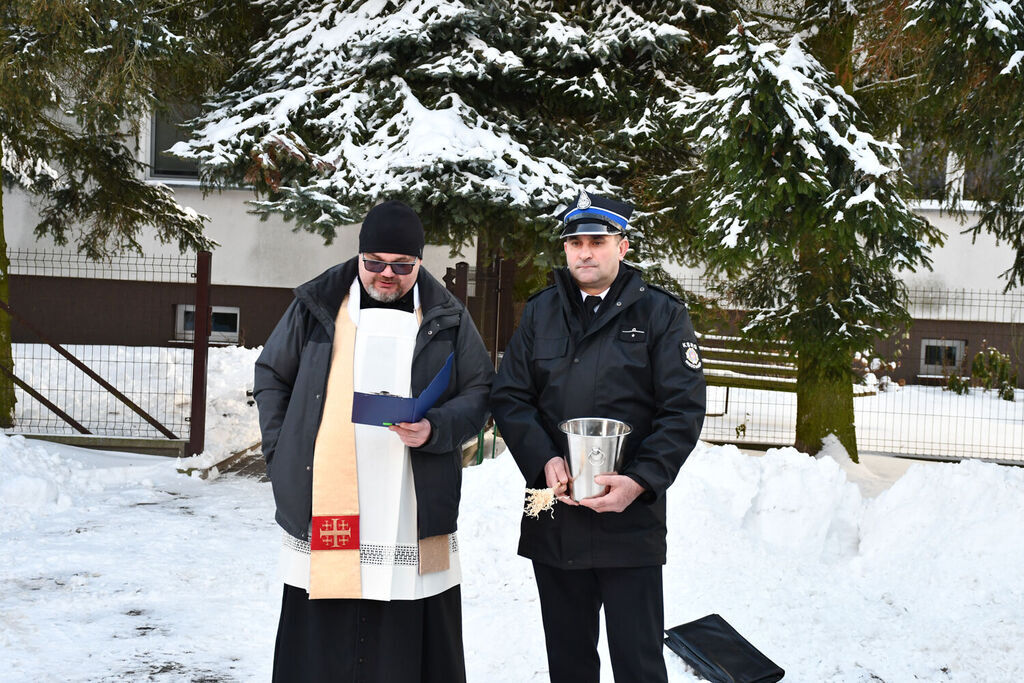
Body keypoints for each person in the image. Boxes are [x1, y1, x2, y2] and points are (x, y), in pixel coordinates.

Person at [253, 199, 494, 682]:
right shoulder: (316, 306)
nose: (387, 275)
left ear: (420, 261)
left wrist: (437, 429)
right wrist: (282, 453)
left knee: (412, 610)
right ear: (359, 256)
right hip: (329, 491)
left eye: (402, 266)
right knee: (324, 616)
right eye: (375, 263)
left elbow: (482, 392)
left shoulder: (446, 315)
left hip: (413, 492)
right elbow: (271, 375)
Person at [490, 190, 706, 683]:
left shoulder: (661, 315)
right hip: (553, 507)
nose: (584, 252)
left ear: (623, 246)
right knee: (567, 662)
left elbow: (682, 409)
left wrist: (641, 480)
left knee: (638, 662)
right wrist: (543, 460)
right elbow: (511, 397)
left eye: (598, 241)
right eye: (574, 242)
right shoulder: (540, 312)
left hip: (631, 518)